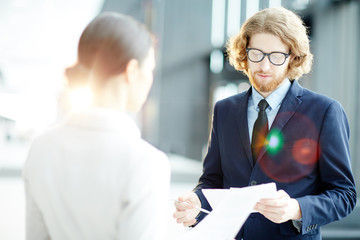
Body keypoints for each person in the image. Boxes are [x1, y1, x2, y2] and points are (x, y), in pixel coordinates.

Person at [173, 7, 357, 240]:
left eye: (276, 56)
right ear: (244, 53)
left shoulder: (324, 112)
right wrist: (195, 205)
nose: (264, 66)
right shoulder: (225, 110)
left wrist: (296, 209)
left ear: (293, 57)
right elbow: (213, 180)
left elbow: (344, 194)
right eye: (256, 54)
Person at [23, 12, 171, 240]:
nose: (150, 80)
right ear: (131, 71)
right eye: (149, 70)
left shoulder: (41, 147)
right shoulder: (147, 163)